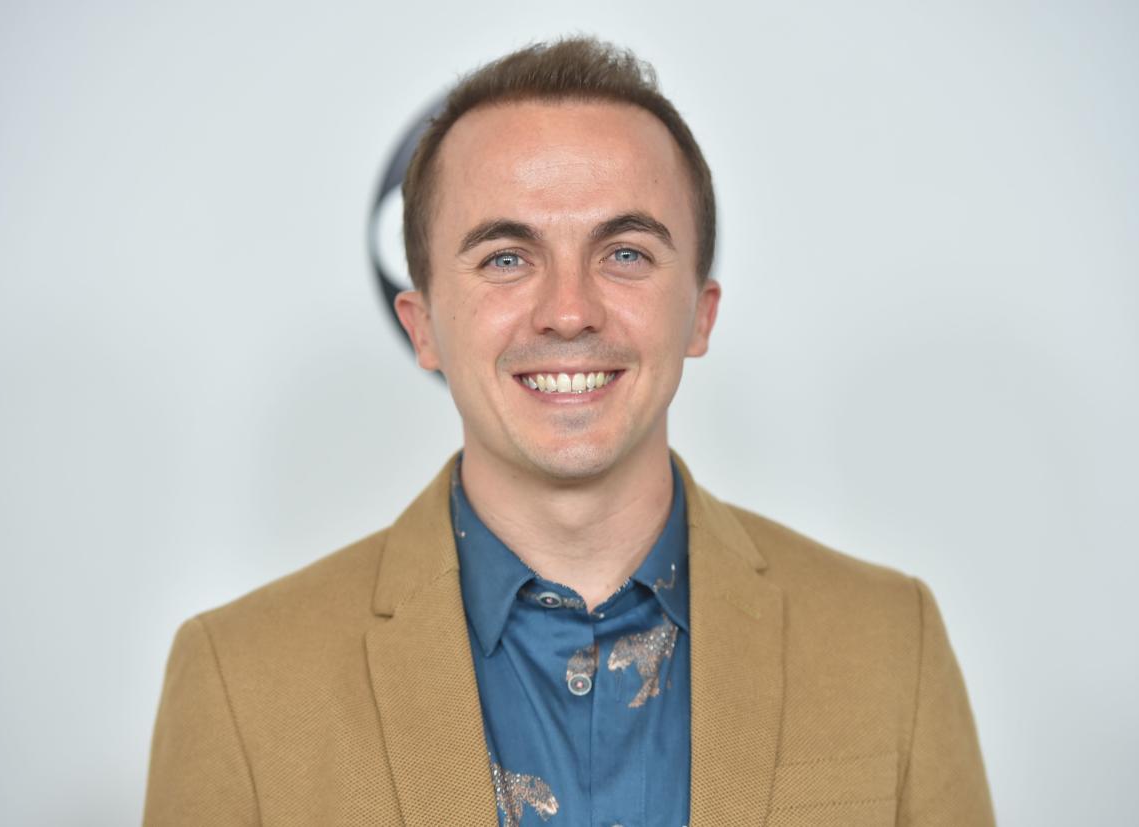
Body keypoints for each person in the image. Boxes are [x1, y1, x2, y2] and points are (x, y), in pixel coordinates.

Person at [143, 36, 996, 827]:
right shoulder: (239, 681)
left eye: (624, 251)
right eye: (507, 257)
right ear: (422, 325)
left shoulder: (891, 642)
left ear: (699, 313)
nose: (568, 311)